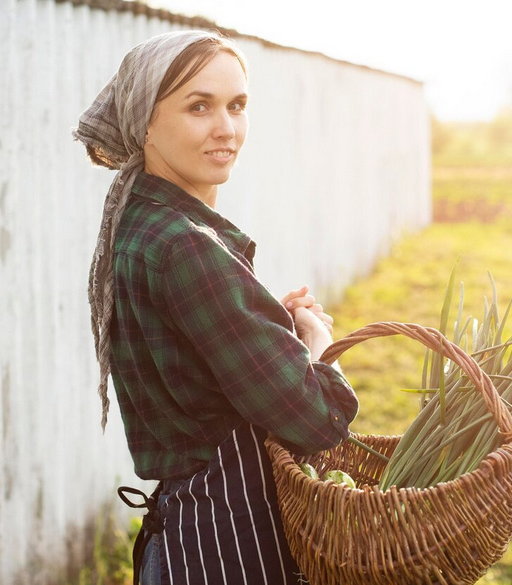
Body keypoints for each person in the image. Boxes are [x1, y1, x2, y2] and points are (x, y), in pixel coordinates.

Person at [73, 30, 359, 585]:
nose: (226, 128)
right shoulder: (186, 245)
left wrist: (263, 322)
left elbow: (186, 355)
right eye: (198, 106)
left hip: (189, 533)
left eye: (237, 105)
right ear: (145, 122)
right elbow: (318, 418)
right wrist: (317, 340)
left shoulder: (142, 223)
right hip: (227, 543)